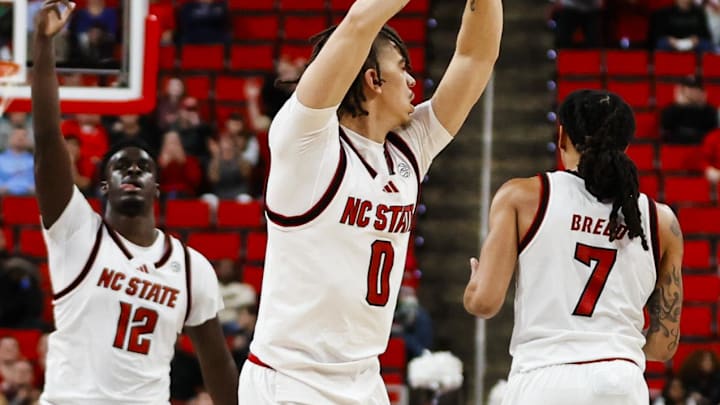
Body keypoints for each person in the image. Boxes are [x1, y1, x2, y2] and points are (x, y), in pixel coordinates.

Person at [237, 0, 503, 403]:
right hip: (290, 381)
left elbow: (475, 56)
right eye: (403, 68)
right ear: (374, 80)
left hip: (364, 380)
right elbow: (360, 22)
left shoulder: (409, 148)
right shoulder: (306, 142)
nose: (414, 80)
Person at [30, 2, 238, 404]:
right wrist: (43, 44)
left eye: (142, 167)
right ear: (104, 186)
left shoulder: (192, 269)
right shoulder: (76, 231)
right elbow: (47, 140)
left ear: (156, 187)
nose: (131, 172)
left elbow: (217, 364)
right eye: (120, 167)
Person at [464, 90, 684, 404]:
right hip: (621, 381)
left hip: (543, 377)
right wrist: (611, 352)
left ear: (562, 135)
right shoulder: (662, 221)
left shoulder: (523, 195)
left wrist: (475, 283)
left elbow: (483, 303)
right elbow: (664, 345)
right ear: (626, 145)